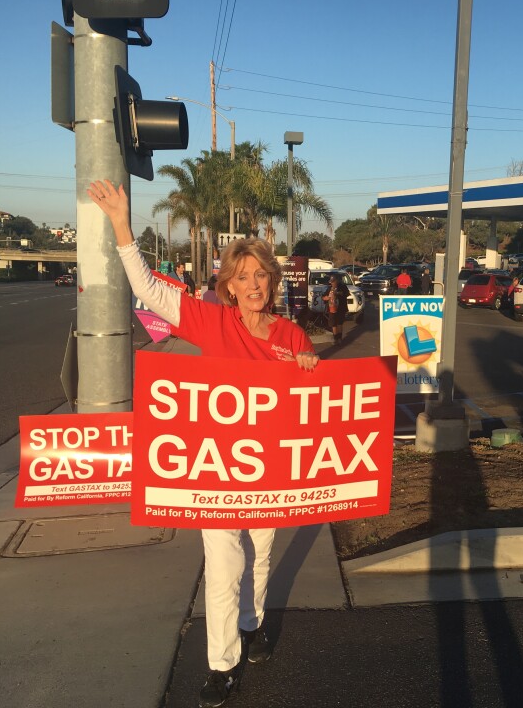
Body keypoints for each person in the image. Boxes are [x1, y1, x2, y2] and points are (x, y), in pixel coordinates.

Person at [87, 179, 319, 708]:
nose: (253, 284)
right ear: (229, 287)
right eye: (243, 277)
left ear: (273, 281)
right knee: (223, 565)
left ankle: (251, 623)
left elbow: (313, 411)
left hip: (271, 470)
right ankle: (221, 663)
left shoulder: (292, 337)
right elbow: (148, 289)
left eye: (261, 274)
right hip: (215, 467)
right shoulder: (212, 322)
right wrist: (122, 224)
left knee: (260, 555)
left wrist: (311, 369)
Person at [322, 273, 349, 344]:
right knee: (333, 324)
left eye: (333, 282)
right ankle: (335, 338)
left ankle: (339, 338)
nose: (332, 284)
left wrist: (337, 293)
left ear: (337, 281)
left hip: (340, 308)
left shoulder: (343, 287)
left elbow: (346, 294)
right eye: (331, 282)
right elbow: (323, 296)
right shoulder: (329, 288)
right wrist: (326, 298)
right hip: (331, 308)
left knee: (339, 323)